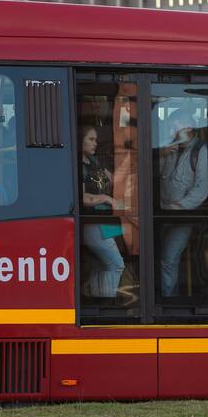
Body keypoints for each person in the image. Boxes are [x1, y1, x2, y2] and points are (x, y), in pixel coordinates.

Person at [158, 111, 208, 298]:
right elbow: (157, 178)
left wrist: (179, 206)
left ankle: (168, 302)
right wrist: (161, 156)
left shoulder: (201, 151)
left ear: (188, 128)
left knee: (168, 259)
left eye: (175, 127)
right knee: (162, 259)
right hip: (162, 214)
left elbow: (201, 189)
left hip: (184, 216)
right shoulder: (170, 148)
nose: (171, 130)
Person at [79, 125, 124, 299]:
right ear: (80, 140)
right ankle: (107, 302)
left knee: (101, 265)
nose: (95, 143)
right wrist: (106, 198)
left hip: (105, 222)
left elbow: (113, 179)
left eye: (96, 139)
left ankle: (96, 299)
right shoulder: (78, 165)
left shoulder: (94, 161)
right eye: (91, 139)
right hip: (91, 223)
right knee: (116, 265)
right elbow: (82, 197)